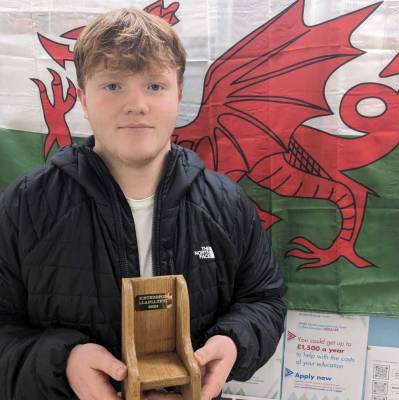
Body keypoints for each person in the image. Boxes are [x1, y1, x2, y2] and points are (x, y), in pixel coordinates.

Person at [0, 7, 286, 400]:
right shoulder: (27, 205)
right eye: (113, 86)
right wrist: (63, 363)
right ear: (83, 98)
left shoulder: (226, 203)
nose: (137, 105)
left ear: (179, 95)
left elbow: (263, 300)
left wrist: (234, 344)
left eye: (154, 86)